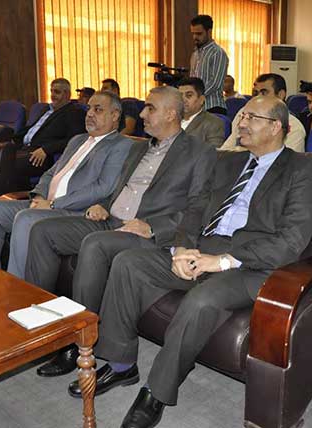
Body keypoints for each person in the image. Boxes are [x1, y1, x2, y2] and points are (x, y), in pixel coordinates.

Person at [75, 96, 312, 428]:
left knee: (201, 300)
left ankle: (156, 392)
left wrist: (222, 261)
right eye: (242, 116)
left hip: (250, 264)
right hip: (202, 249)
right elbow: (196, 208)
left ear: (276, 126)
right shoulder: (230, 162)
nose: (241, 123)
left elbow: (292, 241)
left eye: (251, 117)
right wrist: (182, 248)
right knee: (129, 262)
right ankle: (121, 365)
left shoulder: (302, 170)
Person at [22, 86, 217, 377]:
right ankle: (44, 325)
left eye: (150, 108)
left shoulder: (199, 152)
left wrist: (152, 226)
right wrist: (103, 204)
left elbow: (199, 205)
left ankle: (79, 342)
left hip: (144, 231)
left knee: (95, 244)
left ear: (171, 114)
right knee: (42, 230)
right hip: (110, 220)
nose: (142, 114)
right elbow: (117, 189)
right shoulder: (139, 147)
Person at [0, 91, 132, 279]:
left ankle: (16, 288)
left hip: (74, 210)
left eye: (98, 110)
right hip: (46, 203)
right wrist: (39, 196)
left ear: (114, 115)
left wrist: (54, 204)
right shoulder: (77, 140)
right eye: (89, 108)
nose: (89, 114)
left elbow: (103, 187)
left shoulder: (120, 145)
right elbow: (51, 173)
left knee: (26, 219)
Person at [13, 78, 86, 188]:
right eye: (51, 91)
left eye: (57, 92)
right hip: (25, 149)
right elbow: (31, 129)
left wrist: (46, 149)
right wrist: (11, 139)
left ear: (67, 94)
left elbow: (75, 139)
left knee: (7, 165)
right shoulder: (46, 110)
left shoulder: (74, 112)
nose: (52, 95)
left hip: (43, 155)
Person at [220, 73, 305, 152]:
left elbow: (285, 161)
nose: (258, 98)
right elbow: (227, 148)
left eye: (264, 93)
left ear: (280, 95)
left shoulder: (294, 127)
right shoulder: (243, 114)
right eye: (255, 93)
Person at [189, 14, 229, 115]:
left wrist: (195, 95)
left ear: (209, 32)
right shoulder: (195, 54)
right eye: (193, 34)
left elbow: (215, 83)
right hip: (197, 108)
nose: (195, 37)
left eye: (199, 34)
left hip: (213, 107)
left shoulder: (217, 53)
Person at [176, 77, 225, 147]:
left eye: (189, 95)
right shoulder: (170, 120)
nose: (183, 99)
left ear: (201, 99)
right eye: (180, 96)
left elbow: (213, 151)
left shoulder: (214, 123)